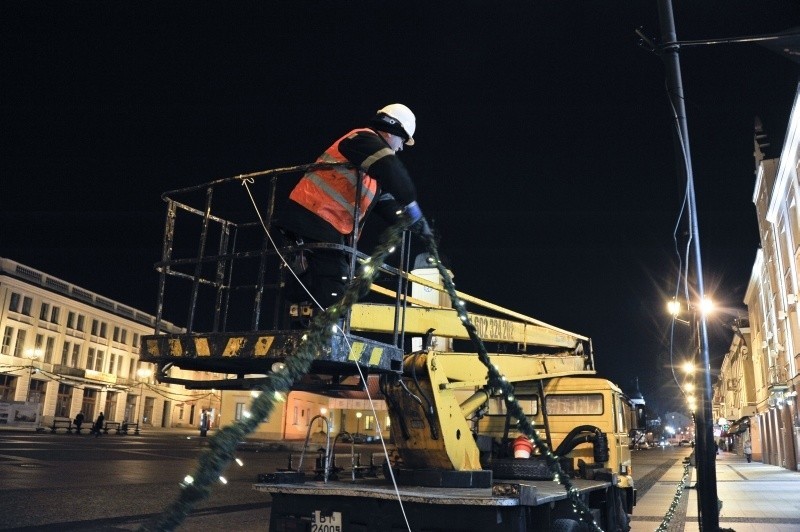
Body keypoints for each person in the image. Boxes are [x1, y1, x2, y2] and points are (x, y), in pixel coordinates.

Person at [280, 103, 433, 313]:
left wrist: (409, 221)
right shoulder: (362, 139)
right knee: (334, 282)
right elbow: (392, 170)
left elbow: (383, 202)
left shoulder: (367, 163)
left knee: (315, 283)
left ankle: (305, 332)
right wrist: (412, 204)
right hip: (313, 216)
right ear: (391, 131)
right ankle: (325, 338)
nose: (401, 147)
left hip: (322, 223)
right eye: (402, 139)